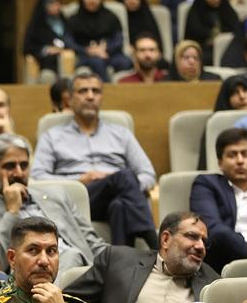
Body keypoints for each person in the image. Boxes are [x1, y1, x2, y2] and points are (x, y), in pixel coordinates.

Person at [30, 72, 158, 248]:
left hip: (114, 199)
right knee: (124, 177)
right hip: (76, 198)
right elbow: (37, 176)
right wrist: (78, 181)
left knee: (119, 205)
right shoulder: (52, 136)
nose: (90, 96)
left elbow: (148, 174)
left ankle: (122, 260)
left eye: (95, 91)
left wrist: (121, 185)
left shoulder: (121, 134)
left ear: (101, 97)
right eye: (83, 91)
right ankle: (156, 244)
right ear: (70, 99)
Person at [66, 211, 219, 303]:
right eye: (192, 236)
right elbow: (68, 302)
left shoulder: (212, 283)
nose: (200, 247)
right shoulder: (119, 261)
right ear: (166, 239)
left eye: (205, 242)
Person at [0, 133, 108, 272]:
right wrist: (12, 211)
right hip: (33, 280)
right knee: (71, 255)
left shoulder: (57, 195)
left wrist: (115, 258)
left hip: (85, 272)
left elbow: (92, 243)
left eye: (24, 165)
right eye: (10, 166)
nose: (19, 173)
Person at [190, 128, 247, 271]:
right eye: (232, 155)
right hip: (226, 261)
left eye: (245, 154)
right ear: (220, 163)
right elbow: (215, 231)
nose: (240, 161)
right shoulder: (207, 184)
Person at [65, 0, 131, 79]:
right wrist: (88, 50)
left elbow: (119, 40)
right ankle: (106, 88)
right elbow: (68, 42)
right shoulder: (74, 19)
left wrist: (104, 50)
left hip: (110, 52)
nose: (92, 0)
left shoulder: (111, 17)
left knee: (125, 62)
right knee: (97, 62)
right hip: (86, 55)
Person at [182, 0, 242, 64]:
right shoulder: (196, 12)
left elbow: (236, 28)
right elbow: (194, 34)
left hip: (227, 48)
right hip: (203, 50)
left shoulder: (226, 9)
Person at [22, 0, 71, 77]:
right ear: (44, 5)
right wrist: (47, 50)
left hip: (66, 61)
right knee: (47, 76)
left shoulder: (65, 21)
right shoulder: (37, 24)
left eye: (58, 2)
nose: (56, 6)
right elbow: (27, 48)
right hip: (47, 64)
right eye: (52, 3)